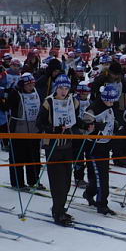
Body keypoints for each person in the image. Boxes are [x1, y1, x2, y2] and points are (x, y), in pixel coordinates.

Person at [36, 74, 80, 226]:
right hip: (53, 146)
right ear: (56, 87)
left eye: (66, 88)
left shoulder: (73, 101)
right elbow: (39, 123)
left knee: (67, 181)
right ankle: (57, 211)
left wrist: (87, 126)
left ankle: (61, 208)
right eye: (61, 88)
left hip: (67, 145)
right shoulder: (48, 102)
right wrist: (52, 129)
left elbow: (76, 121)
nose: (64, 91)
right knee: (57, 182)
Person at [81, 85, 120, 215]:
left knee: (98, 175)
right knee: (102, 177)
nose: (111, 103)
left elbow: (110, 120)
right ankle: (102, 204)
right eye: (109, 100)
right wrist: (96, 126)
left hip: (105, 145)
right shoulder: (93, 109)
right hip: (94, 147)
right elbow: (83, 127)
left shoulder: (109, 107)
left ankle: (89, 193)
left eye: (113, 100)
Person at [6, 73, 42, 189]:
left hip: (33, 130)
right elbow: (6, 106)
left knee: (34, 158)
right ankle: (17, 183)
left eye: (32, 84)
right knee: (18, 158)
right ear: (22, 85)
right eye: (28, 84)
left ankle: (34, 181)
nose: (31, 86)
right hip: (18, 130)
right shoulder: (16, 94)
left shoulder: (36, 92)